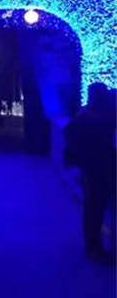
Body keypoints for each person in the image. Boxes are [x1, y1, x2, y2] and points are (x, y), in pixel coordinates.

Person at [64, 82, 116, 263]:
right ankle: (95, 248)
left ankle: (92, 246)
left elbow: (68, 134)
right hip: (102, 171)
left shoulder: (84, 114)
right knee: (96, 209)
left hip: (88, 170)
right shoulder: (106, 116)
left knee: (91, 209)